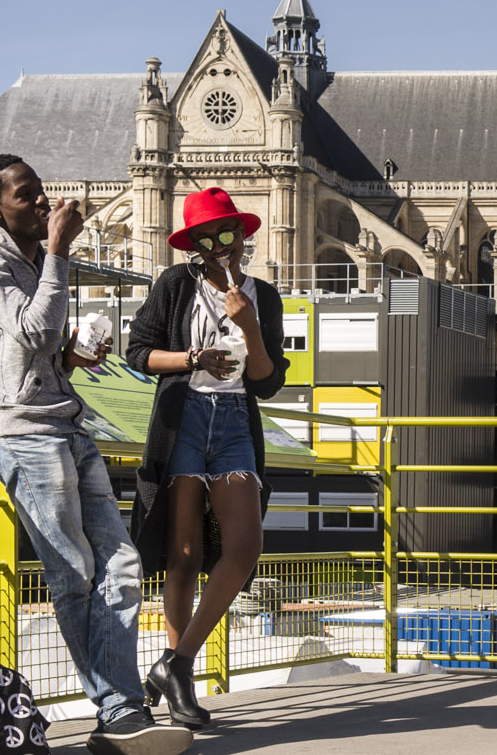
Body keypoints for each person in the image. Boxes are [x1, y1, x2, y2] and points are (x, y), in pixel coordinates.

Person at [0, 154, 193, 755]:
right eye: (27, 195)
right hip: (19, 432)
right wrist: (59, 252)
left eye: (42, 191)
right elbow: (31, 330)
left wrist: (72, 359)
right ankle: (118, 710)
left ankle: (121, 710)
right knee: (74, 574)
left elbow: (40, 350)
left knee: (122, 566)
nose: (43, 202)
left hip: (65, 424)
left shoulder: (34, 259)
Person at [125, 187, 289, 728]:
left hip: (235, 422)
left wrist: (249, 328)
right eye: (205, 238)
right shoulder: (175, 285)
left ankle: (176, 662)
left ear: (243, 235)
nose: (219, 246)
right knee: (185, 556)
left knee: (243, 548)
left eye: (227, 234)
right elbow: (138, 353)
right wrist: (194, 356)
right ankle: (180, 687)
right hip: (183, 420)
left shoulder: (262, 295)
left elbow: (267, 383)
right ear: (193, 244)